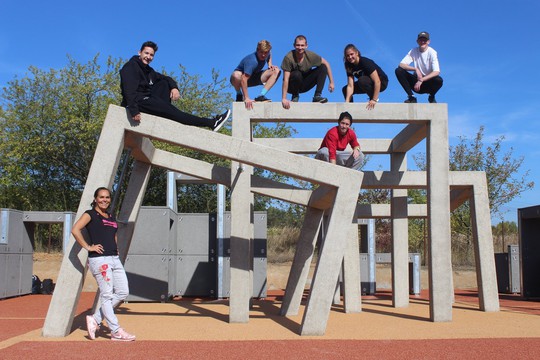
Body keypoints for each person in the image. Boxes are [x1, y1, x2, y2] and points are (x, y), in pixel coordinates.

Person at [120, 41, 231, 131]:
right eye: (146, 53)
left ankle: (165, 110)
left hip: (148, 100)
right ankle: (211, 123)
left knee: (164, 82)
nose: (148, 57)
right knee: (176, 113)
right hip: (138, 102)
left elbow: (167, 78)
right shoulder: (131, 67)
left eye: (151, 55)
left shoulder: (149, 71)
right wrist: (134, 110)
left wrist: (174, 88)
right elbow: (128, 90)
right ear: (140, 53)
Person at [72, 187, 135, 342]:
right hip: (100, 260)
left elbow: (112, 234)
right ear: (95, 199)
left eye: (107, 197)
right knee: (106, 295)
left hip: (114, 258)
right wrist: (88, 247)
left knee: (122, 292)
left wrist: (116, 248)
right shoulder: (90, 214)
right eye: (101, 197)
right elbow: (75, 230)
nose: (104, 200)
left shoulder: (111, 216)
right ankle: (115, 331)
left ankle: (95, 318)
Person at [280, 35, 335, 109]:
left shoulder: (310, 55)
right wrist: (284, 98)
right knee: (297, 74)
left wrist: (331, 82)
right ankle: (295, 96)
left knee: (323, 67)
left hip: (305, 84)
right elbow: (286, 79)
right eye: (298, 45)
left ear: (306, 46)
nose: (300, 48)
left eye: (302, 45)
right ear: (294, 45)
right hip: (292, 86)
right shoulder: (289, 57)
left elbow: (327, 63)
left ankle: (317, 95)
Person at [230, 40, 281, 110]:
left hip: (254, 77)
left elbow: (269, 55)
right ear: (257, 50)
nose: (263, 55)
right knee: (236, 75)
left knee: (276, 71)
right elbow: (244, 79)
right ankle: (239, 94)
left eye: (266, 53)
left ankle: (261, 96)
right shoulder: (252, 61)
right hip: (240, 79)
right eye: (261, 52)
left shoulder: (268, 53)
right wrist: (246, 98)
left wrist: (270, 64)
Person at [395, 31, 443, 103]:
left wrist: (422, 80)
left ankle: (431, 96)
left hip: (427, 84)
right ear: (417, 41)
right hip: (416, 84)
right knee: (399, 71)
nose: (423, 42)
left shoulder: (432, 52)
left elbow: (437, 72)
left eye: (425, 40)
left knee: (439, 80)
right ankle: (411, 97)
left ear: (428, 42)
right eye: (421, 40)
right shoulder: (413, 51)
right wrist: (415, 69)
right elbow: (401, 65)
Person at [342, 44, 388, 110]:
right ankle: (349, 110)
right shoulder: (348, 65)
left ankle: (373, 97)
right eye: (347, 56)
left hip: (381, 82)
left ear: (357, 53)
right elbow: (350, 86)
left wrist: (374, 99)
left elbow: (377, 81)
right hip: (366, 83)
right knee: (345, 89)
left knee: (362, 80)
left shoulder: (364, 62)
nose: (350, 57)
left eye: (352, 54)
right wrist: (347, 102)